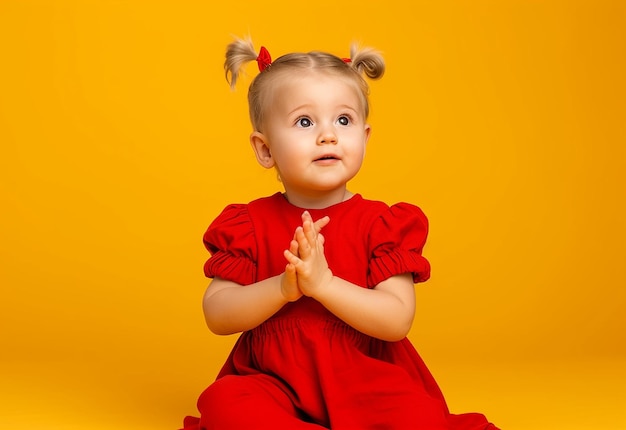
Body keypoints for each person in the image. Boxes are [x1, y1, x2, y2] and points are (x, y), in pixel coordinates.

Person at [180, 36, 499, 430]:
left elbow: (396, 319)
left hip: (365, 380)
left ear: (364, 138)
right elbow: (218, 313)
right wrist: (283, 288)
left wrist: (324, 284)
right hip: (273, 382)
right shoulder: (248, 224)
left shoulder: (382, 224)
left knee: (420, 417)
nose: (327, 135)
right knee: (224, 402)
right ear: (265, 150)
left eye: (343, 121)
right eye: (304, 122)